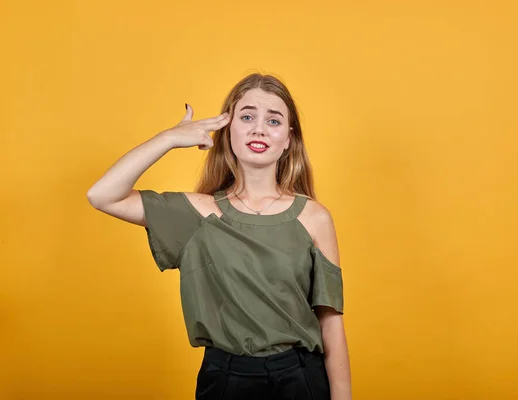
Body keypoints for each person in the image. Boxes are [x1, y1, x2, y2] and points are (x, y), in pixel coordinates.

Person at [87, 73, 351, 399]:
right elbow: (103, 195)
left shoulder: (314, 217)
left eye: (274, 120)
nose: (259, 128)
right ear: (227, 132)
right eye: (247, 116)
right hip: (226, 381)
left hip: (300, 379)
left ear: (288, 138)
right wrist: (168, 138)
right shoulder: (198, 215)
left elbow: (330, 322)